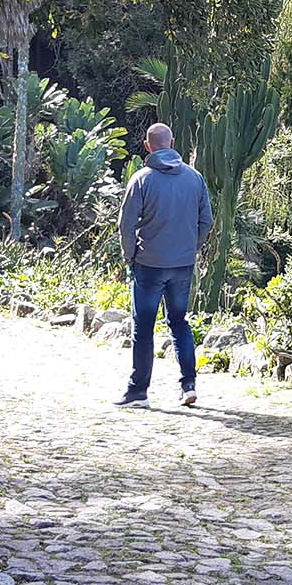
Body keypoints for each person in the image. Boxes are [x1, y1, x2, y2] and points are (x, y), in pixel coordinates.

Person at [114, 122, 213, 407]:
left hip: (148, 264)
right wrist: (191, 248)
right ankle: (188, 385)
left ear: (148, 146)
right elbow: (206, 220)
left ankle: (138, 391)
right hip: (182, 264)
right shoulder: (195, 178)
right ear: (172, 142)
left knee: (143, 326)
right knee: (179, 323)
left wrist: (130, 256)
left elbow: (126, 226)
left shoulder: (141, 180)